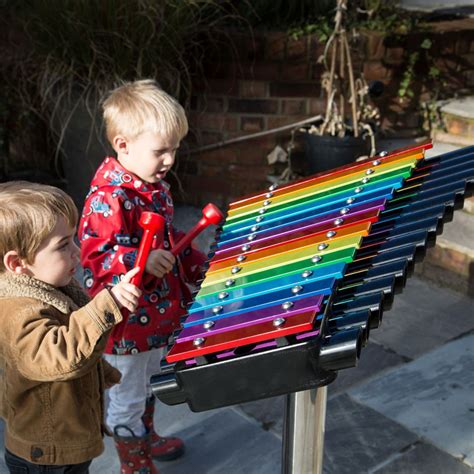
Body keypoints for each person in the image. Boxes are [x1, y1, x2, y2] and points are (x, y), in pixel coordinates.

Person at [78, 79, 206, 473]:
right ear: (123, 145)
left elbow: (171, 244)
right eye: (160, 150)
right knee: (127, 396)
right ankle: (132, 463)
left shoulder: (156, 188)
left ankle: (145, 437)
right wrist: (139, 259)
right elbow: (93, 255)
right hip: (126, 324)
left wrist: (197, 264)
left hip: (157, 317)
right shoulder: (107, 198)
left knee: (148, 385)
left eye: (174, 149)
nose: (169, 159)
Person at [0, 181, 143, 474]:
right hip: (45, 456)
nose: (77, 252)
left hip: (66, 442)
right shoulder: (18, 310)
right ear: (17, 263)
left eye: (73, 239)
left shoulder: (50, 288)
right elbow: (60, 357)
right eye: (63, 245)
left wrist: (104, 373)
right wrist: (106, 305)